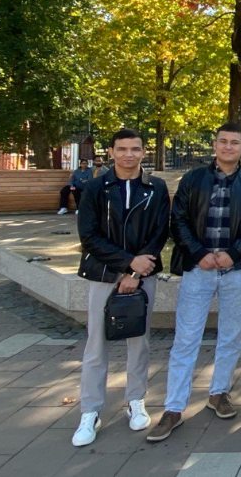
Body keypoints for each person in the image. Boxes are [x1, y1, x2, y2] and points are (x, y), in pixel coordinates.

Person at [148, 123, 241, 442]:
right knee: (186, 338)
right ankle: (174, 407)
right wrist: (198, 253)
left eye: (234, 142)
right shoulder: (193, 179)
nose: (228, 147)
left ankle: (219, 392)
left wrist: (234, 254)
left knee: (231, 336)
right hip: (198, 269)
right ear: (214, 145)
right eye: (222, 141)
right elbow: (178, 220)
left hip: (236, 270)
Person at [72, 129, 170, 447]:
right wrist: (128, 264)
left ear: (144, 152)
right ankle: (90, 411)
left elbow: (160, 231)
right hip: (105, 273)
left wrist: (137, 272)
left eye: (135, 149)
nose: (129, 154)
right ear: (112, 152)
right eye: (122, 149)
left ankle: (136, 400)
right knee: (96, 344)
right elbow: (89, 236)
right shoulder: (95, 188)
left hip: (143, 275)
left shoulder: (156, 188)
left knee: (139, 342)